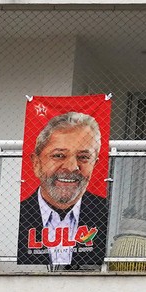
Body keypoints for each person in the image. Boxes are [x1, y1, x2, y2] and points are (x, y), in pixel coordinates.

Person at [17, 111, 108, 268]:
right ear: (36, 163)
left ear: (95, 163)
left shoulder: (105, 212)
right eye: (59, 156)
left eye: (84, 157)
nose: (72, 167)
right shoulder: (20, 213)